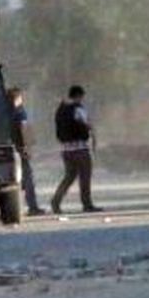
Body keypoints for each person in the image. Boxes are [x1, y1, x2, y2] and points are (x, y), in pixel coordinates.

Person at [50, 85, 102, 214]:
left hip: (66, 150)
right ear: (79, 95)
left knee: (69, 177)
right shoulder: (78, 109)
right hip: (81, 149)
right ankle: (87, 204)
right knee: (85, 177)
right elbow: (87, 126)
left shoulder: (61, 110)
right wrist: (94, 140)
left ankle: (56, 200)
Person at [8, 87, 44, 216]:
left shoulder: (4, 112)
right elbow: (24, 130)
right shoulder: (20, 112)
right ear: (18, 98)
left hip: (8, 150)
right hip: (20, 149)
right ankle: (32, 206)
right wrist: (27, 147)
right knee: (28, 178)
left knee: (13, 179)